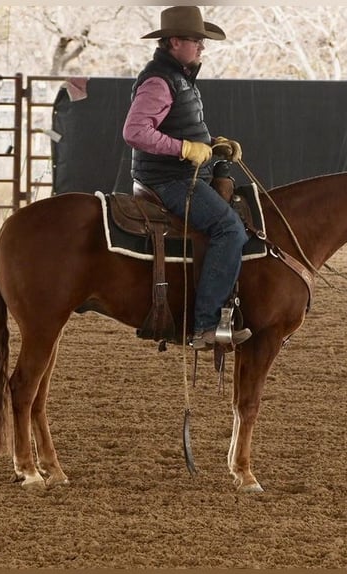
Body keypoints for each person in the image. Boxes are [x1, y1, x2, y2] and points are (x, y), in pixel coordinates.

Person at [123, 5, 251, 351]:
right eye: (196, 40)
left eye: (202, 41)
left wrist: (212, 145)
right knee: (229, 229)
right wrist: (184, 149)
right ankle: (205, 325)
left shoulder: (178, 77)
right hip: (169, 181)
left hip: (179, 173)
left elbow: (178, 127)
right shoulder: (159, 80)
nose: (202, 47)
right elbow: (135, 131)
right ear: (174, 41)